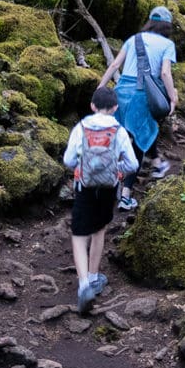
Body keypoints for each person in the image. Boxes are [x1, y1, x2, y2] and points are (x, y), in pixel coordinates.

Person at [62, 87, 138, 314]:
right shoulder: (119, 130)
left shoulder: (81, 128)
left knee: (78, 234)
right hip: (108, 187)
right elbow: (133, 165)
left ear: (92, 106)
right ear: (115, 108)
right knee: (100, 229)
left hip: (84, 186)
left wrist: (81, 167)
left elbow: (68, 160)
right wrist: (118, 169)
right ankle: (95, 278)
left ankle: (83, 284)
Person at [97, 5, 179, 210]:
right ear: (167, 25)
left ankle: (156, 163)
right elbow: (165, 74)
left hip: (121, 92)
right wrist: (173, 97)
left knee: (129, 135)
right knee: (138, 141)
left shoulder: (134, 39)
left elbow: (115, 65)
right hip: (142, 96)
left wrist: (100, 87)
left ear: (150, 21)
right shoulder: (167, 44)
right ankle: (125, 196)